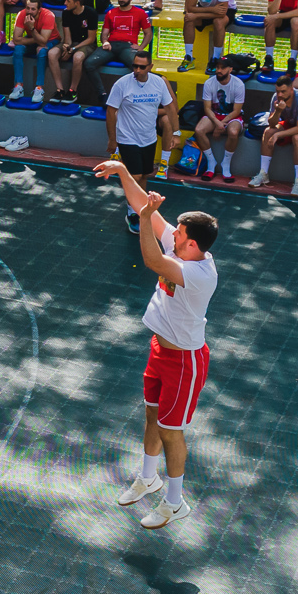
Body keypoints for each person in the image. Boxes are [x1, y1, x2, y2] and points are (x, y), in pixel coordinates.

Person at [94, 159, 219, 530]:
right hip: (160, 350)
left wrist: (148, 217)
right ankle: (149, 478)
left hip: (185, 361)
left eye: (177, 234)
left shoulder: (197, 272)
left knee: (171, 430)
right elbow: (141, 209)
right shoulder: (184, 250)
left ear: (191, 243)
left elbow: (150, 258)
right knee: (152, 414)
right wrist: (121, 171)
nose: (172, 235)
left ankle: (175, 501)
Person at [104, 48, 175, 182]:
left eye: (142, 67)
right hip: (127, 137)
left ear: (150, 67)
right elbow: (111, 111)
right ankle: (131, 203)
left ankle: (139, 203)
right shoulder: (122, 84)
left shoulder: (159, 82)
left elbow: (171, 107)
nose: (137, 70)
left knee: (144, 175)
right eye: (135, 66)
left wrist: (176, 133)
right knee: (135, 176)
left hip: (148, 137)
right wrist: (112, 139)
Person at [252, 74, 298, 196]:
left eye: (283, 91)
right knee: (268, 132)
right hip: (293, 122)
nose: (280, 95)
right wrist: (278, 111)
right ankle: (263, 173)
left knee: (297, 138)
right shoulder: (276, 97)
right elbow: (271, 123)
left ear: (292, 89)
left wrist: (278, 135)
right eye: (278, 91)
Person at [191, 55, 246, 182]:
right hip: (214, 116)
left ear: (230, 69)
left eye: (223, 68)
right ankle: (211, 163)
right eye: (217, 67)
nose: (219, 70)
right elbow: (207, 108)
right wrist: (217, 123)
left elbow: (236, 111)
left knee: (233, 132)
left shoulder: (238, 85)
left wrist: (222, 124)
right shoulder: (209, 83)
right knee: (199, 130)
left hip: (232, 116)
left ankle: (225, 165)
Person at [181, 0, 234, 72]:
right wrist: (211, 9)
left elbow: (221, 13)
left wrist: (197, 14)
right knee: (188, 19)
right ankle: (189, 57)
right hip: (208, 8)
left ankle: (215, 59)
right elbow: (190, 7)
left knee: (218, 22)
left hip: (226, 10)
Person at [47, 0, 97, 103]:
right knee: (51, 53)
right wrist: (67, 47)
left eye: (68, 1)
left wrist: (73, 49)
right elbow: (67, 37)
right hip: (72, 43)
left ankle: (72, 91)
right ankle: (60, 90)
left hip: (86, 44)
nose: (65, 3)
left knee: (77, 57)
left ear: (77, 3)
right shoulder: (66, 13)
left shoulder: (91, 13)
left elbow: (91, 39)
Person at [8, 0, 59, 103]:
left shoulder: (48, 15)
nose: (29, 11)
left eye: (33, 9)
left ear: (39, 10)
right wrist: (37, 40)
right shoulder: (21, 15)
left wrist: (31, 27)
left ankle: (39, 88)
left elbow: (44, 41)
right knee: (18, 49)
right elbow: (16, 40)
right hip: (33, 39)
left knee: (41, 51)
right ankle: (18, 86)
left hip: (52, 40)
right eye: (28, 8)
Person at [97, 0, 152, 82]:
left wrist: (141, 47)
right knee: (89, 63)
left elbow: (148, 33)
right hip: (111, 45)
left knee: (138, 67)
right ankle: (101, 93)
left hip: (128, 46)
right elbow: (104, 33)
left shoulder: (140, 13)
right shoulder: (111, 13)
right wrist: (105, 41)